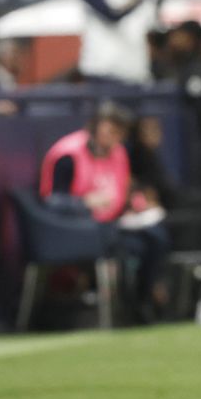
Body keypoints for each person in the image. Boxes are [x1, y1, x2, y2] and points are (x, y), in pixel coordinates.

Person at [38, 100, 170, 322]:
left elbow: (123, 188)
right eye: (110, 129)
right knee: (129, 248)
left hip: (113, 223)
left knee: (158, 237)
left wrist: (136, 205)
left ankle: (144, 302)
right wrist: (85, 203)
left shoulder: (118, 153)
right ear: (95, 126)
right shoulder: (68, 155)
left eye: (120, 132)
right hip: (77, 228)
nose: (114, 137)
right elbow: (51, 201)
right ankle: (127, 311)